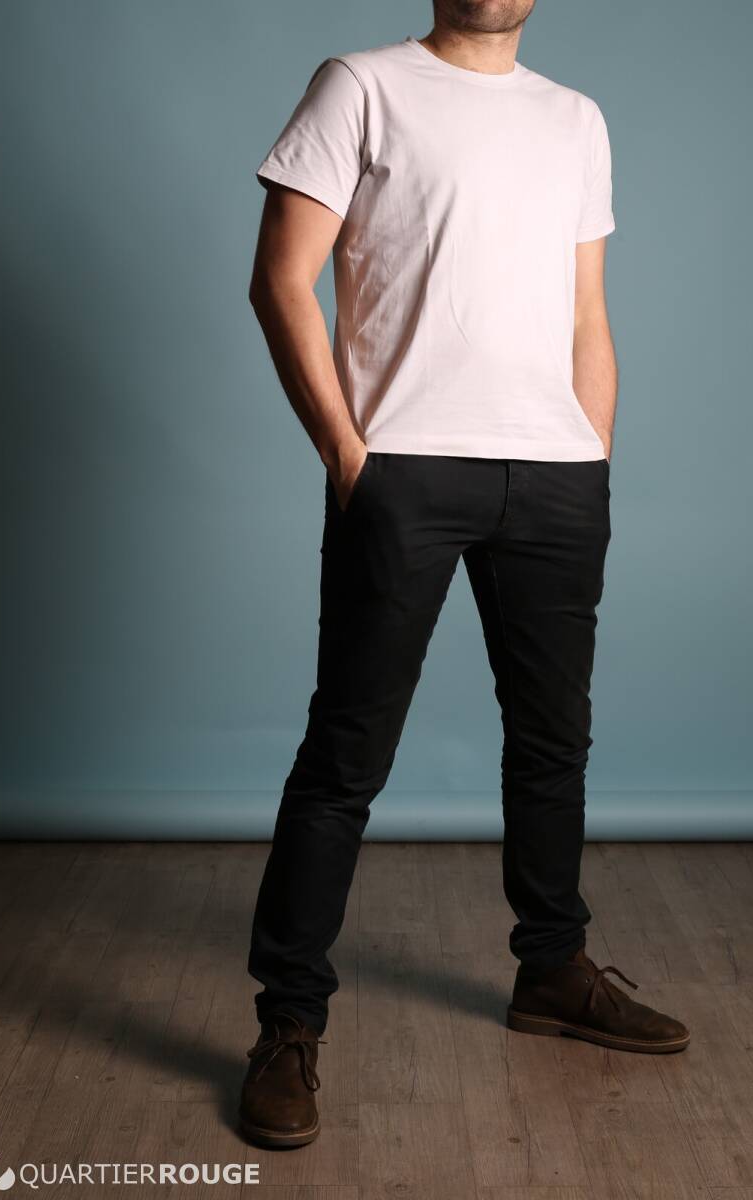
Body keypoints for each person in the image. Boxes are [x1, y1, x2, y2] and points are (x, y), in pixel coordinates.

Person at [239, 0, 689, 1151]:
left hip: (557, 478)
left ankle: (552, 969)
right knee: (347, 753)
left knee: (552, 740)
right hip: (405, 469)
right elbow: (281, 280)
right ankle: (288, 1022)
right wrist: (351, 460)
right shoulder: (360, 86)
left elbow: (586, 312)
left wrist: (590, 453)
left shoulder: (575, 119)